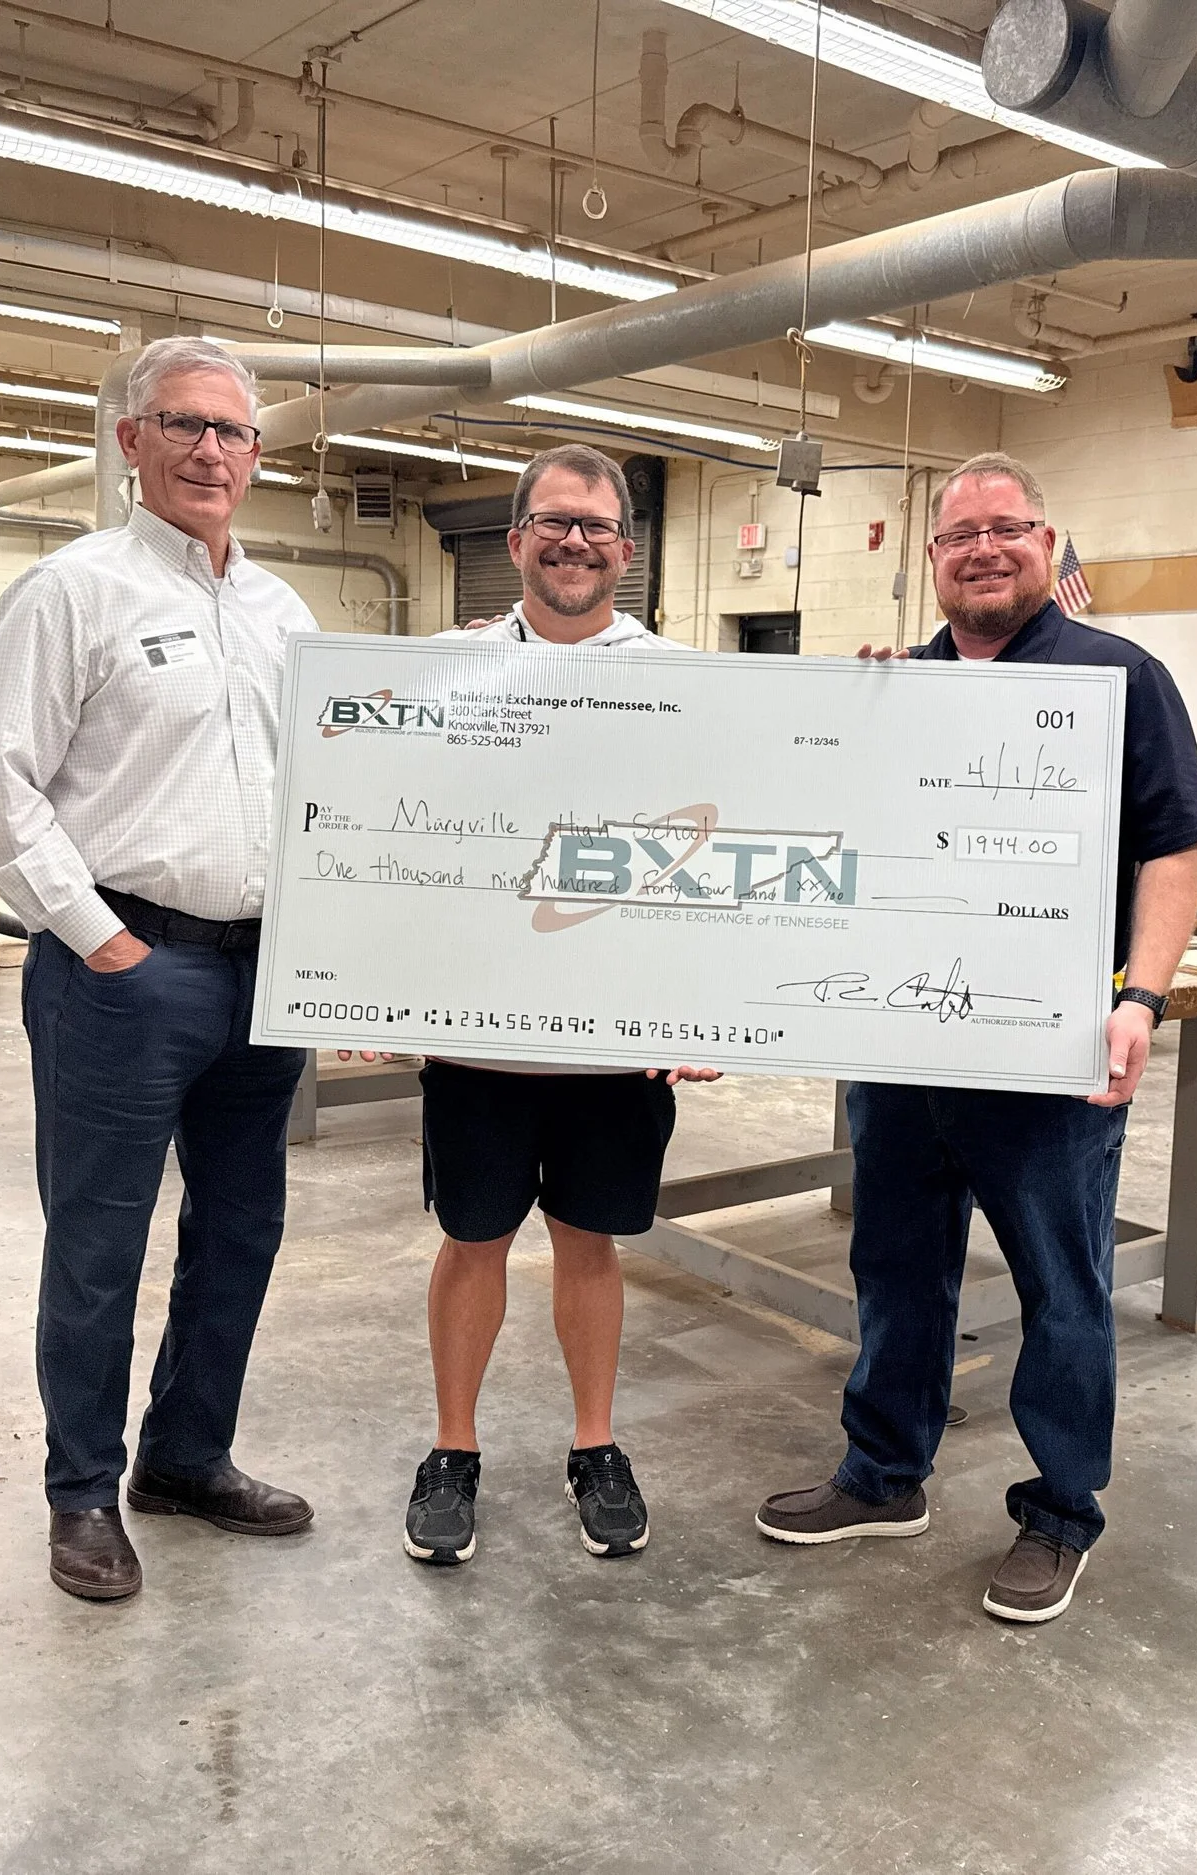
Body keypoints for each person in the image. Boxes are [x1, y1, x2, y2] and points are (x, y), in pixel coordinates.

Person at [754, 451, 1197, 1625]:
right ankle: (882, 1473)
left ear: (1046, 544)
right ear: (930, 560)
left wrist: (1142, 999)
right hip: (902, 1048)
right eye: (959, 534)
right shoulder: (896, 685)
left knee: (1061, 1288)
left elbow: (1175, 850)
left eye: (1005, 529)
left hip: (1045, 1052)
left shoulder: (1116, 678)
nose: (983, 550)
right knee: (895, 1269)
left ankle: (1061, 1513)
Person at [0, 335, 322, 1603]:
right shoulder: (72, 591)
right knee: (100, 1243)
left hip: (263, 975)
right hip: (123, 970)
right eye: (185, 425)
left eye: (233, 432)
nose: (212, 450)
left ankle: (188, 1457)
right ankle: (81, 1495)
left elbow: (323, 796)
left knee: (241, 1233)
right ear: (130, 444)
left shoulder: (284, 614)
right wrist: (98, 940)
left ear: (258, 457)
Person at [403, 443, 720, 1568]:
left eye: (595, 526)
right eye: (554, 522)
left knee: (590, 1242)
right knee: (471, 1237)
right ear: (516, 540)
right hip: (478, 1033)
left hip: (614, 1043)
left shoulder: (683, 681)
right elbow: (389, 823)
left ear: (625, 551)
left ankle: (595, 1446)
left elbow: (720, 841)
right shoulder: (445, 673)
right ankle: (453, 1450)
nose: (574, 541)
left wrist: (709, 1004)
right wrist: (363, 976)